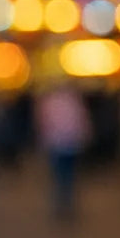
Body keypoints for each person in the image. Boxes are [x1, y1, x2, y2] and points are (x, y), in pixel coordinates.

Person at [35, 83, 92, 223]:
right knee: (70, 177)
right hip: (72, 144)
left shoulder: (49, 102)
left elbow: (43, 124)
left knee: (59, 176)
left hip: (56, 144)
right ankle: (67, 205)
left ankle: (60, 206)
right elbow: (83, 122)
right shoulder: (75, 102)